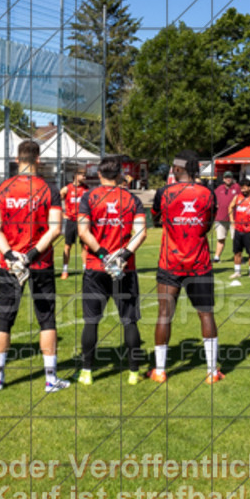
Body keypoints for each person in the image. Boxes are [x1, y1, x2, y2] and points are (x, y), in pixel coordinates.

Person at [0, 140, 68, 392]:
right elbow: (56, 229)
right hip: (40, 262)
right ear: (38, 159)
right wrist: (30, 255)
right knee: (47, 319)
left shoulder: (1, 188)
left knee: (4, 319)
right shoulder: (49, 189)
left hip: (10, 264)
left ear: (17, 159)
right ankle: (50, 379)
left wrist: (11, 255)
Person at [76, 155, 148, 386]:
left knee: (91, 321)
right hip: (124, 268)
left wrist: (103, 255)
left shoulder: (89, 197)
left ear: (99, 174)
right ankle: (134, 373)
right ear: (119, 175)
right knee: (129, 321)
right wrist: (123, 255)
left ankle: (86, 372)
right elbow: (141, 232)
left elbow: (83, 232)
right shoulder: (131, 198)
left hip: (96, 267)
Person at [150, 150, 221, 383]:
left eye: (174, 166)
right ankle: (212, 372)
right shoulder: (208, 193)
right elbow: (208, 224)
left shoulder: (164, 193)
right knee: (206, 314)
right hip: (199, 263)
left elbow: (155, 219)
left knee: (164, 314)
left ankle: (160, 370)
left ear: (178, 169)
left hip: (170, 263)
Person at [227, 178, 250, 285]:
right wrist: (232, 221)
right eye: (241, 188)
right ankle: (237, 272)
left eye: (245, 188)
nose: (243, 190)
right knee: (237, 252)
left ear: (249, 187)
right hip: (238, 230)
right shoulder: (237, 197)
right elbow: (230, 207)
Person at [59, 170, 89, 280]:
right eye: (82, 175)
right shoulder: (67, 189)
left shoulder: (87, 189)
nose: (84, 177)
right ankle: (65, 270)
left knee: (84, 246)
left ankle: (85, 270)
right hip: (71, 221)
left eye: (85, 175)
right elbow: (56, 201)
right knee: (68, 246)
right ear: (76, 176)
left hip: (82, 221)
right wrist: (62, 213)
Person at [212, 171, 241, 263]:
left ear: (232, 178)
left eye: (230, 177)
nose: (228, 179)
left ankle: (238, 257)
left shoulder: (237, 187)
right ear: (223, 179)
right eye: (226, 177)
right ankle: (216, 257)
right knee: (220, 238)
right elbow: (213, 199)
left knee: (236, 239)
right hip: (220, 218)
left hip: (234, 218)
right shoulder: (219, 189)